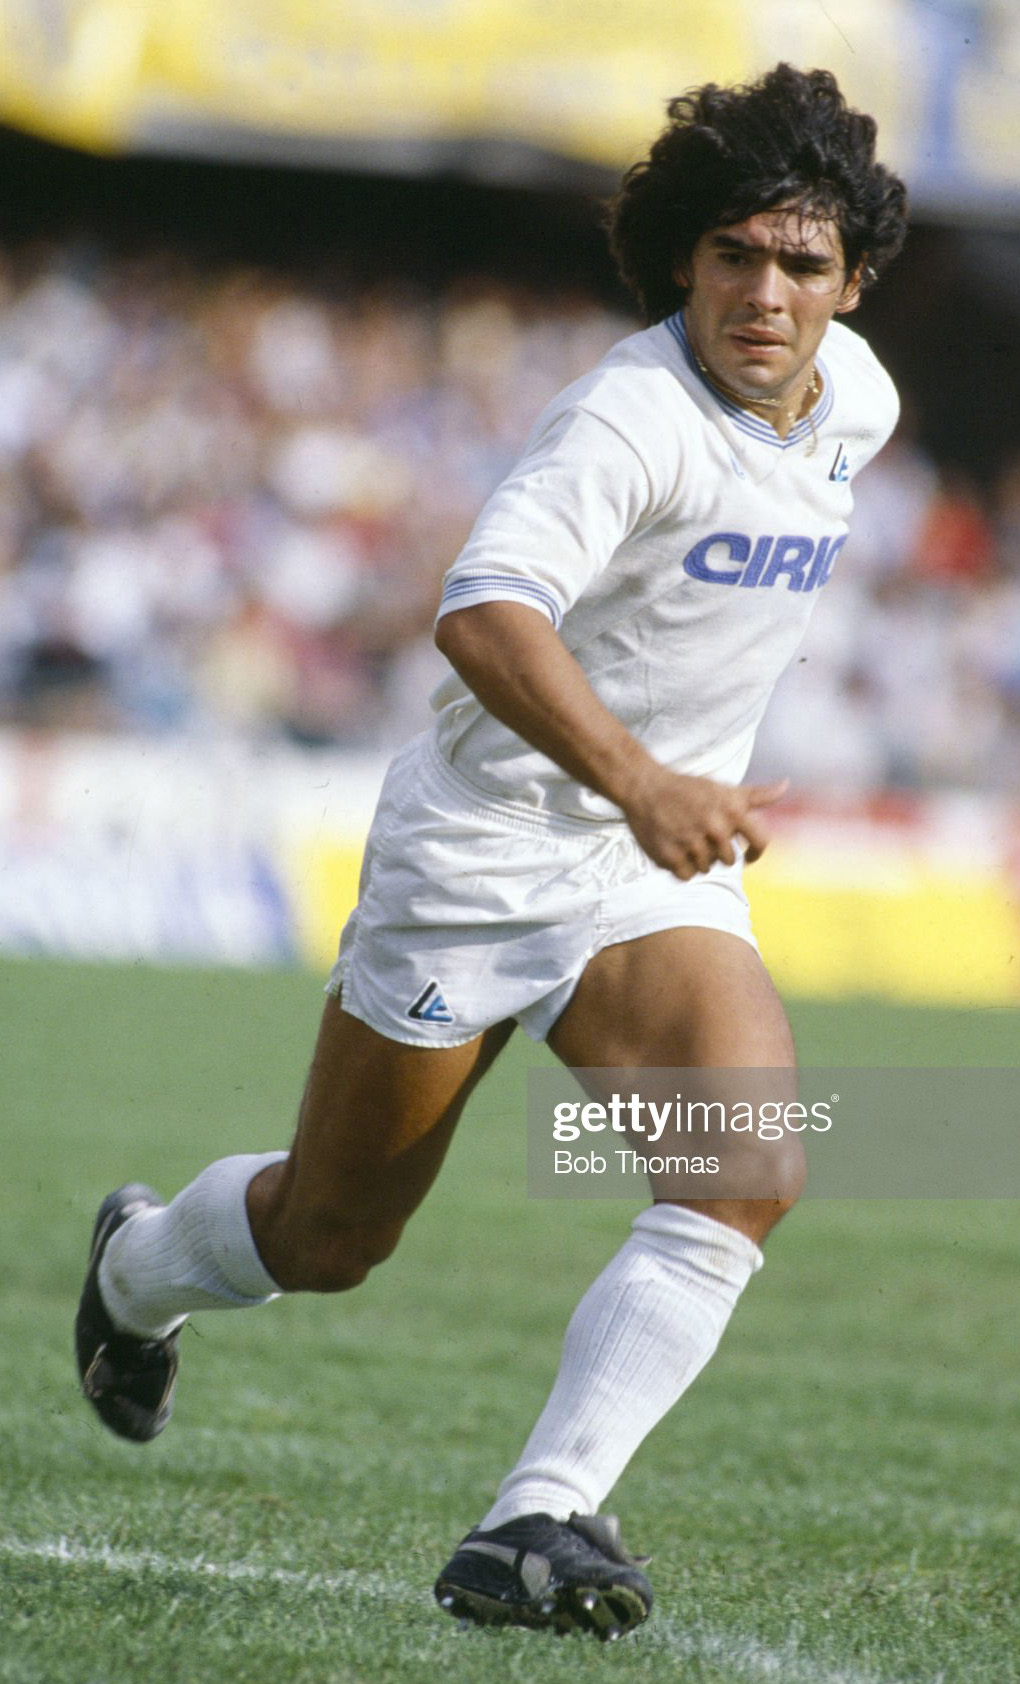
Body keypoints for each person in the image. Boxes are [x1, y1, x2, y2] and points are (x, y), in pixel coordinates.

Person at [75, 64, 907, 1642]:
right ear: (683, 261)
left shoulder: (856, 404)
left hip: (648, 866)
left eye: (802, 263)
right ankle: (136, 1273)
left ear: (852, 282)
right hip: (480, 850)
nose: (765, 293)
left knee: (747, 1168)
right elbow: (482, 615)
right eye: (733, 254)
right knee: (330, 1238)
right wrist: (642, 776)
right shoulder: (626, 417)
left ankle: (536, 1517)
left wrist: (665, 796)